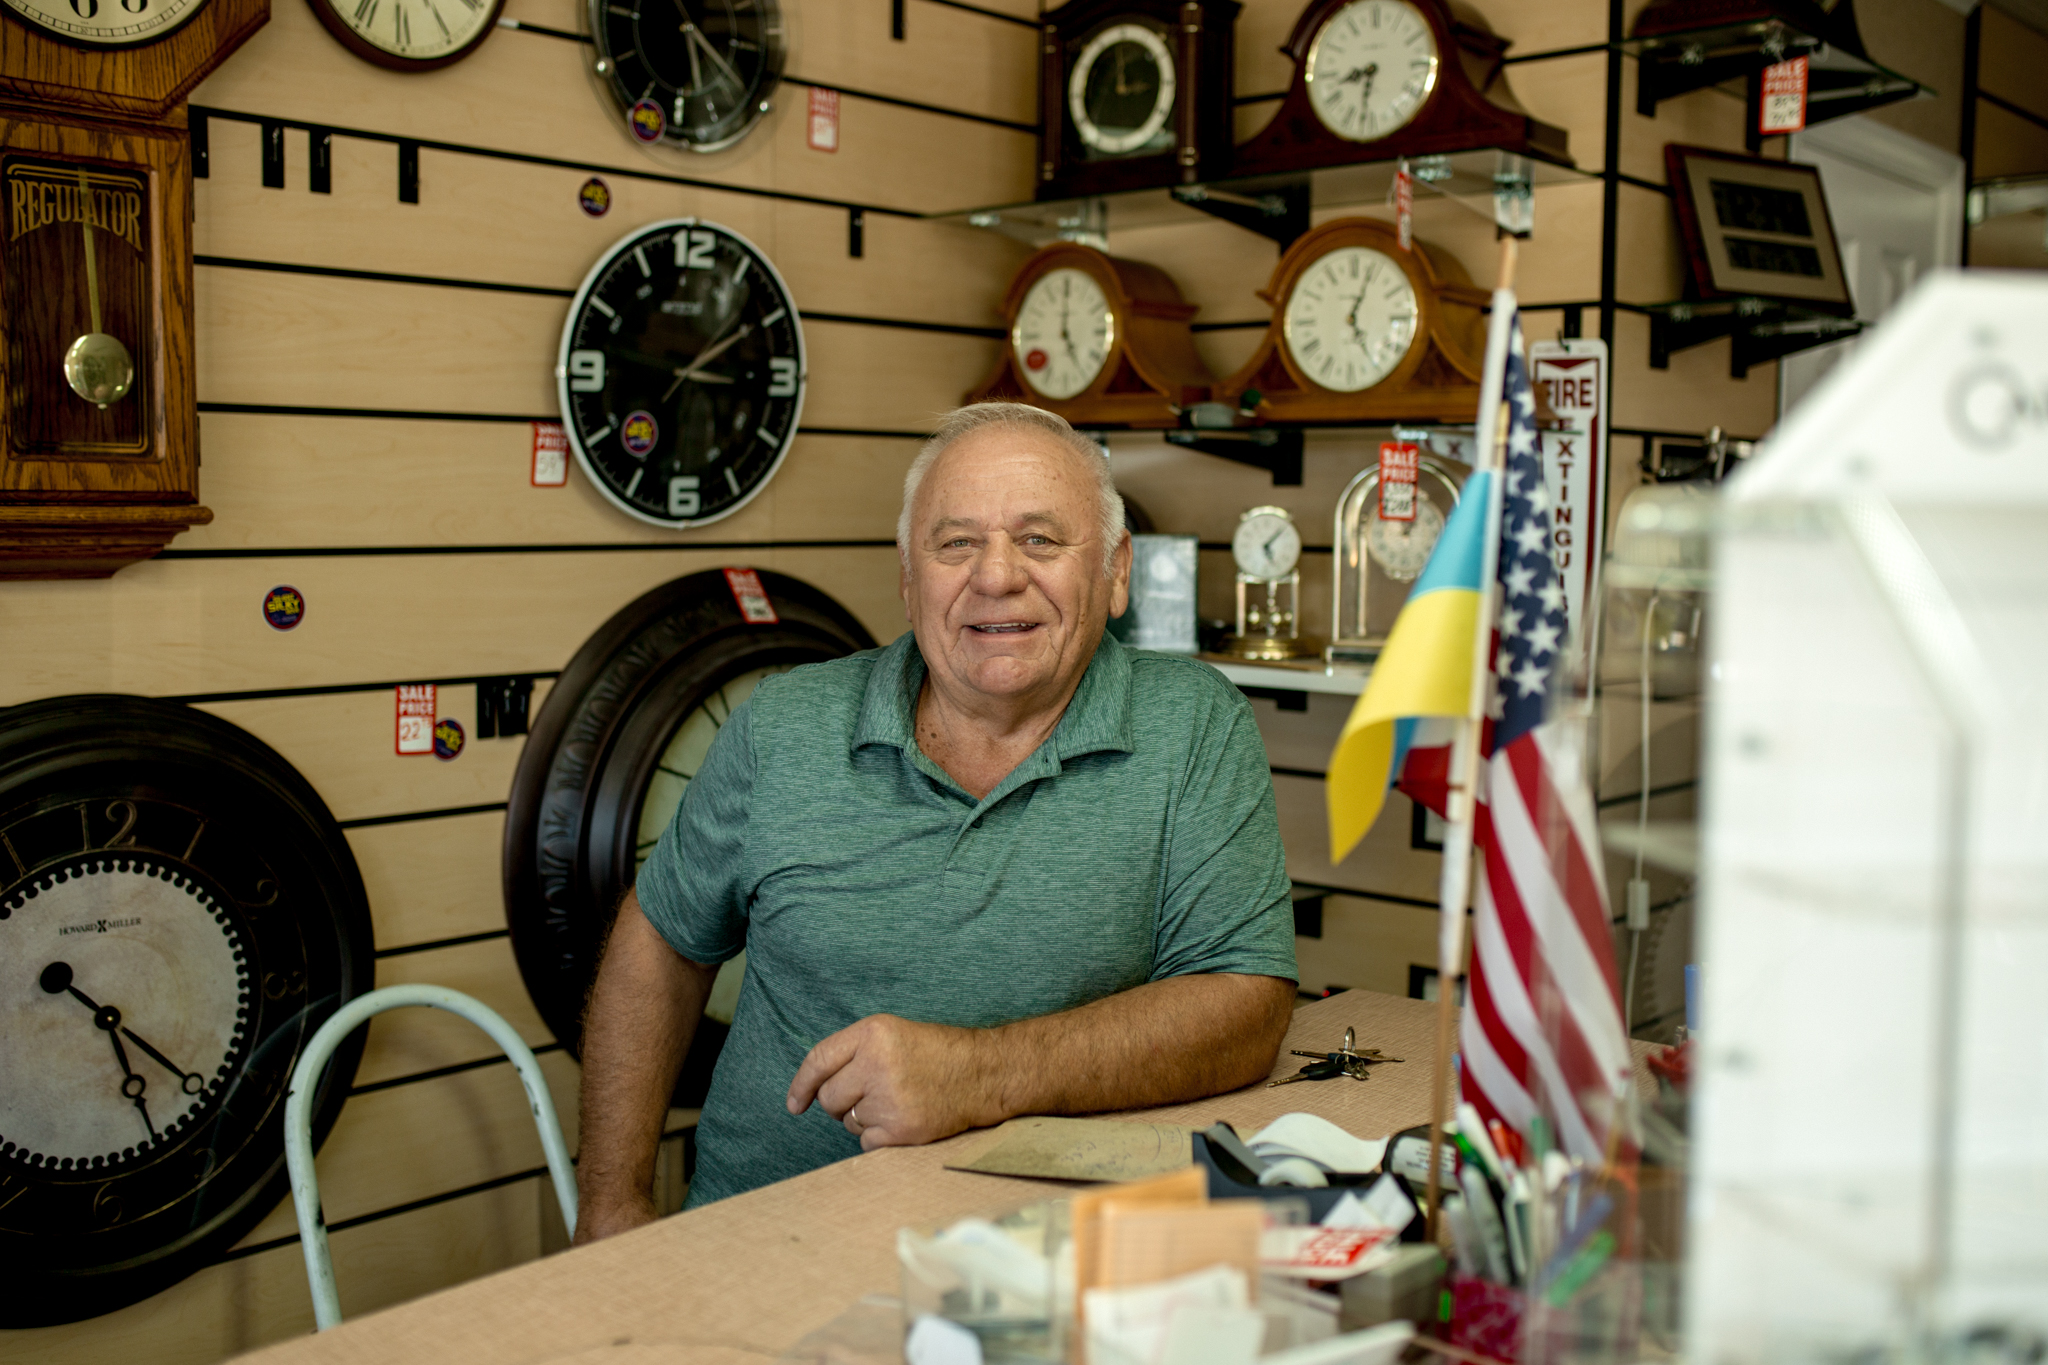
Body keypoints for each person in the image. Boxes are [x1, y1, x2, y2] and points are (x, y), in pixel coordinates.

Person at [573, 402, 1298, 1240]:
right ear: (909, 576)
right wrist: (610, 1200)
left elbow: (1245, 1006)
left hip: (1057, 1260)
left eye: (1039, 539)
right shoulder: (782, 727)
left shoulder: (1195, 725)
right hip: (760, 1240)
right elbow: (660, 938)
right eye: (956, 543)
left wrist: (974, 1075)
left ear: (1116, 570)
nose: (996, 576)